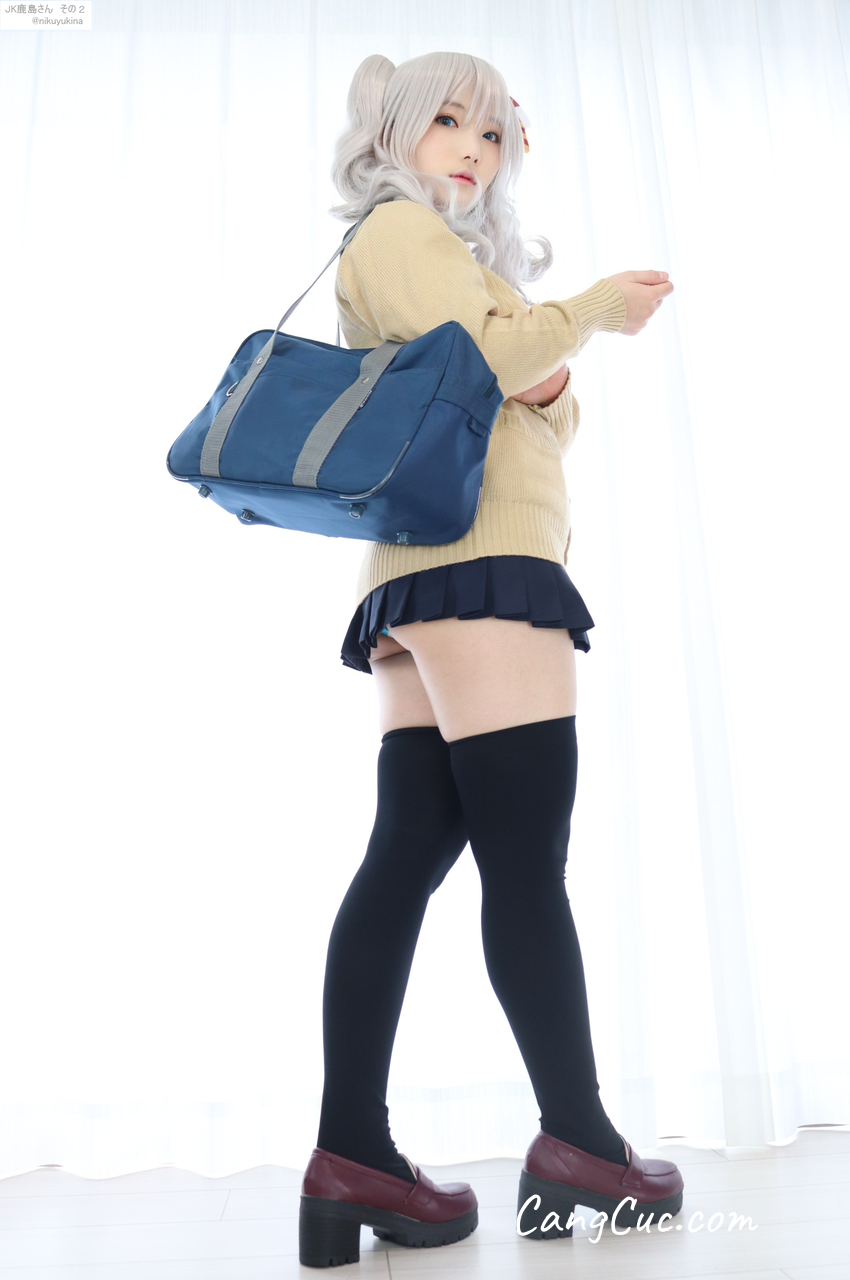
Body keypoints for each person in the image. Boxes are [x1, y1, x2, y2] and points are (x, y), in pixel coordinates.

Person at [298, 51, 682, 1269]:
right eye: (446, 122)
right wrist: (590, 312)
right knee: (524, 859)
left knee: (409, 849)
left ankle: (351, 1154)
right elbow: (497, 365)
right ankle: (580, 1142)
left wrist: (541, 354)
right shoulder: (402, 235)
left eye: (491, 133)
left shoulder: (447, 256)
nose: (472, 147)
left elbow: (531, 393)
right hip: (481, 569)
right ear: (394, 132)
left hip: (419, 578)